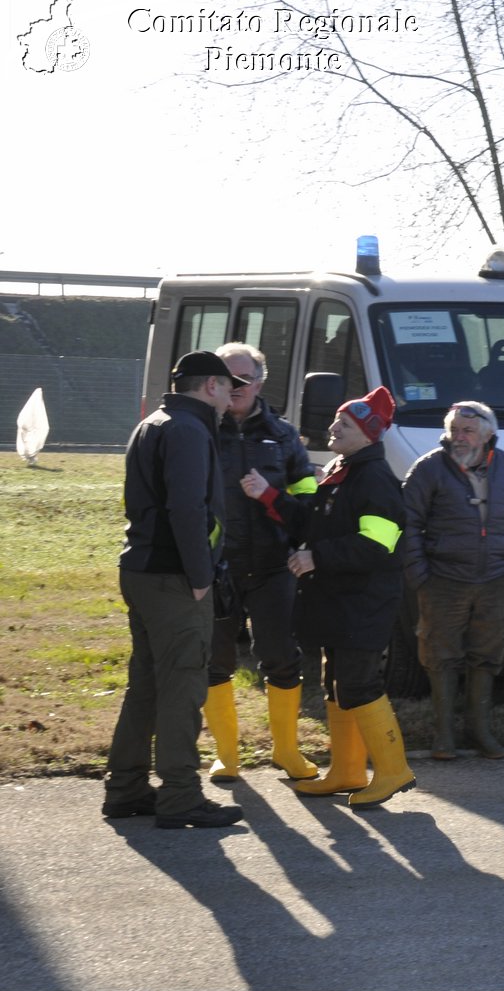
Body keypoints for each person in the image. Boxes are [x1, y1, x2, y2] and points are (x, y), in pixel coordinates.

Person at [244, 386, 414, 809]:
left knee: (359, 684)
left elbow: (378, 545)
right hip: (338, 600)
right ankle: (348, 771)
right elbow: (310, 524)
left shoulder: (374, 478)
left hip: (363, 603)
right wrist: (268, 494)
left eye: (345, 423)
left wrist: (316, 556)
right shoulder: (345, 470)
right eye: (337, 420)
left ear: (368, 434)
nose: (332, 427)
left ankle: (394, 771)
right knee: (336, 687)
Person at [104, 351, 249, 829]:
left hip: (144, 571)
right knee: (182, 688)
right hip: (175, 579)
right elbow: (187, 510)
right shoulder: (189, 429)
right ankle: (180, 797)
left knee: (145, 686)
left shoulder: (155, 422)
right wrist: (202, 577)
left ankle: (125, 790)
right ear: (210, 386)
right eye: (229, 388)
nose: (233, 397)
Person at [201, 342, 320, 785]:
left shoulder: (284, 435)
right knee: (216, 662)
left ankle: (286, 752)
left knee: (282, 661)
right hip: (217, 568)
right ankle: (226, 756)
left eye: (243, 380)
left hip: (273, 567)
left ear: (260, 383)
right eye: (225, 380)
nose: (234, 388)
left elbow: (308, 498)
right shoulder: (200, 428)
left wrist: (278, 504)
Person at [402, 401, 504, 759]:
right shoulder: (428, 468)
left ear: (489, 435)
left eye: (468, 431)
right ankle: (444, 735)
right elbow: (408, 523)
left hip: (499, 580)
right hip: (443, 580)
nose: (459, 438)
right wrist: (419, 575)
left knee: (487, 656)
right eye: (454, 430)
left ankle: (481, 731)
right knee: (439, 655)